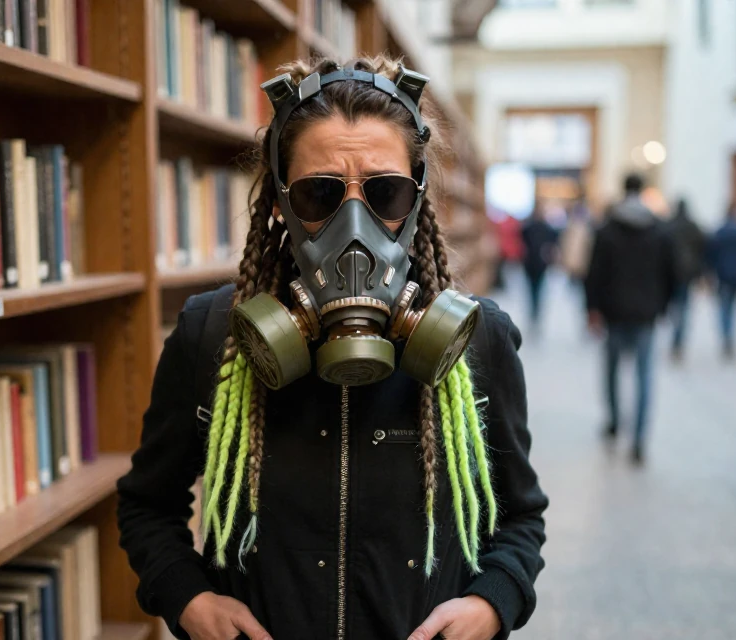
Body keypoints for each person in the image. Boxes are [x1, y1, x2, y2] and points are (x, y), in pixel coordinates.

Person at [116, 57, 548, 640]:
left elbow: (520, 517)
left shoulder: (479, 341)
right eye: (320, 195)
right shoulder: (212, 337)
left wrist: (493, 602)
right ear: (279, 204)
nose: (354, 225)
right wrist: (190, 599)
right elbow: (147, 506)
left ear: (416, 201)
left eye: (386, 192)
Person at [585, 174, 676, 464]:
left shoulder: (608, 229)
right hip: (646, 315)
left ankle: (614, 421)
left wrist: (593, 308)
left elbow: (594, 273)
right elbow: (672, 274)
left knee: (612, 370)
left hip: (614, 312)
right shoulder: (659, 230)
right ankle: (639, 438)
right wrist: (662, 305)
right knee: (644, 375)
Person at [706, 205, 736, 359]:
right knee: (733, 308)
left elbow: (710, 254)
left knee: (724, 307)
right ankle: (730, 336)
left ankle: (726, 336)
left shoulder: (720, 232)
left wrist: (710, 272)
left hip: (722, 275)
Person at [666, 199, 705, 361]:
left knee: (676, 308)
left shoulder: (669, 226)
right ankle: (678, 340)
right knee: (683, 308)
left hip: (672, 273)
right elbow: (702, 247)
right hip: (687, 274)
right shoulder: (692, 226)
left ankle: (677, 339)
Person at [520, 204, 559, 327]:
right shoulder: (546, 228)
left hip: (532, 262)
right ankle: (535, 311)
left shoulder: (529, 227)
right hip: (538, 263)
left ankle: (534, 311)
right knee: (537, 289)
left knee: (533, 289)